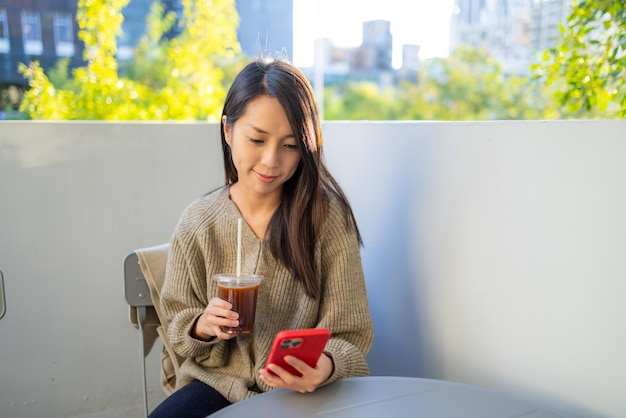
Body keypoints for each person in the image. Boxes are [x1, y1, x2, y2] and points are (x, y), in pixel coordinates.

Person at [148, 58, 374, 417]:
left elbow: (351, 332)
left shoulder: (326, 219)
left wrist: (325, 367)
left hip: (300, 389)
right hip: (216, 383)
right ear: (228, 131)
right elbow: (178, 323)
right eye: (256, 139)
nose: (271, 161)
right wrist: (202, 325)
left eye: (290, 146)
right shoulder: (197, 222)